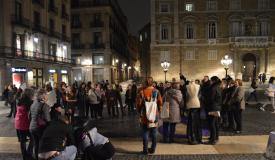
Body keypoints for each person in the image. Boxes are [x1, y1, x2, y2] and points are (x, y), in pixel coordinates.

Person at [137, 77, 162, 154]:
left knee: (145, 132)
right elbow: (160, 103)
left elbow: (139, 104)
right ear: (152, 82)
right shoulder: (157, 91)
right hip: (154, 115)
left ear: (145, 83)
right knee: (154, 132)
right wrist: (158, 112)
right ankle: (153, 149)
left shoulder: (142, 92)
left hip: (145, 115)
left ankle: (145, 150)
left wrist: (139, 112)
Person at [29, 89, 51, 159]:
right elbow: (48, 119)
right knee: (41, 145)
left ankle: (36, 157)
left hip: (32, 127)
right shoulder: (44, 105)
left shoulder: (33, 104)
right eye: (46, 95)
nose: (47, 96)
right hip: (40, 128)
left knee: (36, 144)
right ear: (43, 96)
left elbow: (29, 116)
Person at [15, 88, 35, 160]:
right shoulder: (30, 102)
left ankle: (25, 156)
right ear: (30, 94)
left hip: (18, 123)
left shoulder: (19, 100)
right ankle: (29, 154)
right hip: (26, 124)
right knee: (33, 138)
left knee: (22, 140)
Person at [205, 76, 222, 145]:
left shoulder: (213, 88)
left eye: (211, 80)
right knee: (215, 123)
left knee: (212, 124)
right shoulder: (218, 87)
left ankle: (213, 139)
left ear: (213, 81)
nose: (210, 81)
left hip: (212, 107)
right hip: (217, 107)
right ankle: (215, 137)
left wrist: (205, 100)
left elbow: (211, 98)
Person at [186, 80, 202, 145]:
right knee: (196, 122)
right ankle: (197, 137)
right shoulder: (198, 86)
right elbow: (200, 96)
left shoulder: (187, 86)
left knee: (191, 122)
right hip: (197, 103)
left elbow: (187, 97)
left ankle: (191, 137)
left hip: (190, 104)